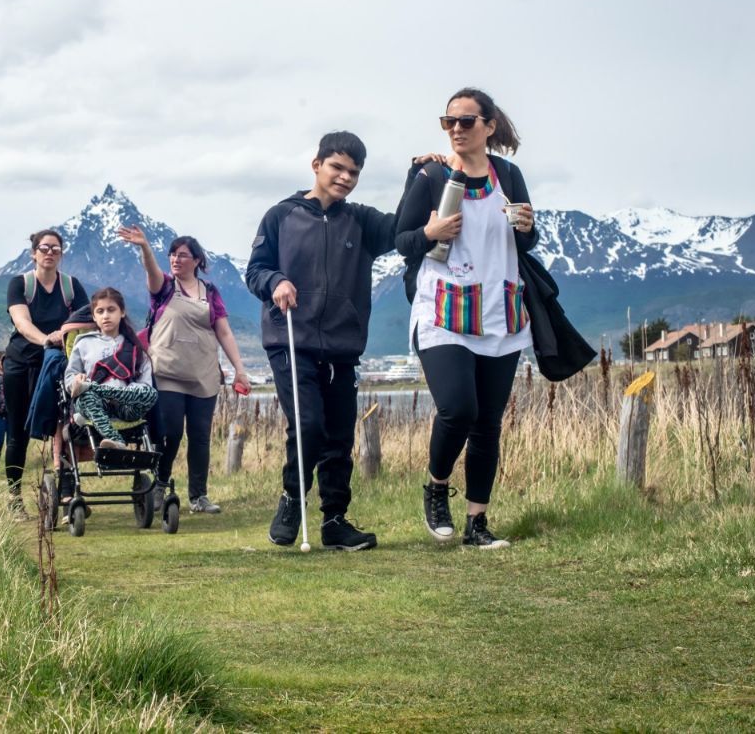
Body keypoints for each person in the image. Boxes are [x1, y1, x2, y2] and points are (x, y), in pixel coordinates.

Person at [395, 87, 536, 549]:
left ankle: (477, 522)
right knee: (458, 409)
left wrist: (529, 228)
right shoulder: (431, 175)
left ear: (489, 127)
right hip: (443, 311)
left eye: (466, 122)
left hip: (499, 311)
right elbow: (402, 240)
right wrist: (430, 232)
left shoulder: (510, 177)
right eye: (448, 121)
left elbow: (525, 246)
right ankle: (436, 488)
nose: (456, 129)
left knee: (488, 423)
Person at [245, 130, 399, 552]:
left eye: (354, 171)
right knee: (308, 425)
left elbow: (408, 226)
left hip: (342, 347)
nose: (345, 177)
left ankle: (334, 520)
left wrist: (423, 174)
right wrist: (276, 280)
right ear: (317, 165)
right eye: (337, 167)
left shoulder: (362, 221)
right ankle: (292, 497)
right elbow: (255, 270)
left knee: (338, 436)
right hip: (290, 341)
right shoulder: (281, 216)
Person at [118, 225, 250, 514]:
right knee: (171, 433)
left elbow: (224, 332)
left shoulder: (210, 293)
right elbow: (151, 271)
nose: (176, 260)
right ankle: (160, 485)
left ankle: (199, 497)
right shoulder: (163, 287)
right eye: (172, 255)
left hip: (203, 375)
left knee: (201, 435)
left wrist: (239, 369)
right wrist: (145, 248)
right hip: (167, 373)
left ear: (198, 261)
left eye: (183, 255)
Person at [3, 230, 90, 501]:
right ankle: (15, 496)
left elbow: (86, 319)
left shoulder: (71, 286)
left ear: (61, 253)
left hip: (56, 365)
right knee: (17, 431)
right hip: (21, 363)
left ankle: (65, 492)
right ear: (33, 253)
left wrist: (65, 339)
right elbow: (22, 323)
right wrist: (47, 339)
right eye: (44, 248)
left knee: (63, 426)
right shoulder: (20, 284)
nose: (49, 253)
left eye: (55, 248)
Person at [64, 287, 158, 450]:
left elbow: (145, 385)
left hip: (126, 407)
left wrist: (129, 392)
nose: (105, 315)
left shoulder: (135, 347)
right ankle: (115, 440)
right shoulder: (83, 343)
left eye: (111, 310)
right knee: (87, 395)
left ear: (122, 312)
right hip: (95, 406)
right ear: (94, 316)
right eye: (100, 311)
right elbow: (70, 378)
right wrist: (76, 382)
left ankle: (93, 388)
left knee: (150, 393)